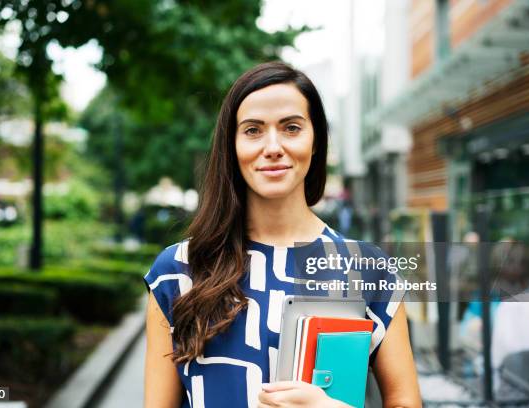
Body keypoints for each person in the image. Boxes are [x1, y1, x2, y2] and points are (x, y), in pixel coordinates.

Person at [143, 61, 421, 407]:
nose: (272, 146)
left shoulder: (370, 270)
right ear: (231, 146)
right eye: (253, 130)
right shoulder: (177, 271)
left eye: (291, 128)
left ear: (316, 140)